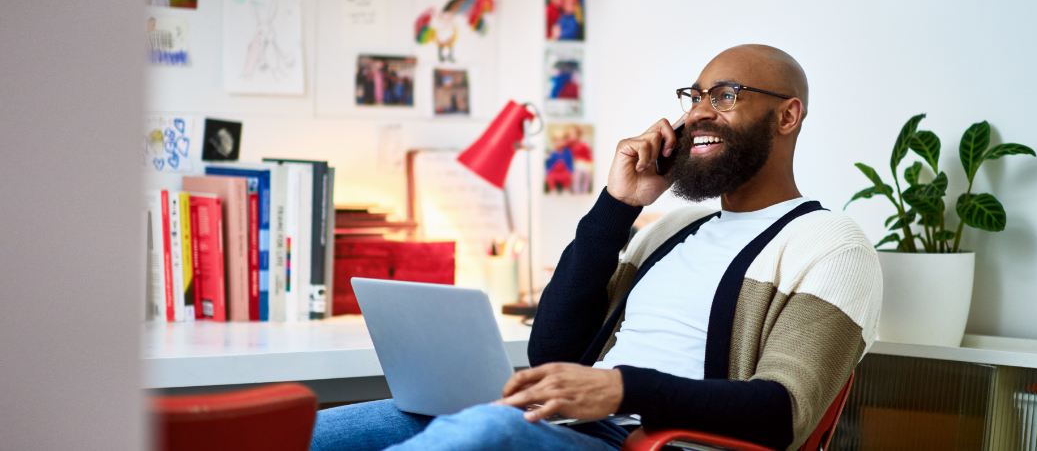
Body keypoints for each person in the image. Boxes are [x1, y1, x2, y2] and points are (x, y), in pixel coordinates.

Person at [311, 44, 882, 451]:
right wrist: (618, 205)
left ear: (787, 115)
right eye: (695, 95)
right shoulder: (670, 228)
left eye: (726, 95)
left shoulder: (830, 245)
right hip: (563, 427)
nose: (699, 112)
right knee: (321, 430)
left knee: (483, 434)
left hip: (643, 441)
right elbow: (553, 348)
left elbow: (783, 413)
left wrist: (619, 389)